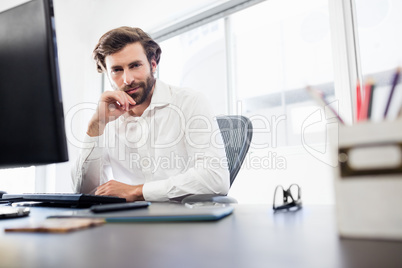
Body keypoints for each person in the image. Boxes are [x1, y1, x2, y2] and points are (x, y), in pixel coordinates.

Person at [71, 27, 230, 202]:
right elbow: (82, 191)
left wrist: (138, 191)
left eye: (135, 65)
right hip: (128, 223)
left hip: (182, 220)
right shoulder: (107, 118)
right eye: (117, 70)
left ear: (153, 64)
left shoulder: (189, 102)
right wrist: (95, 127)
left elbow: (216, 178)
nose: (127, 79)